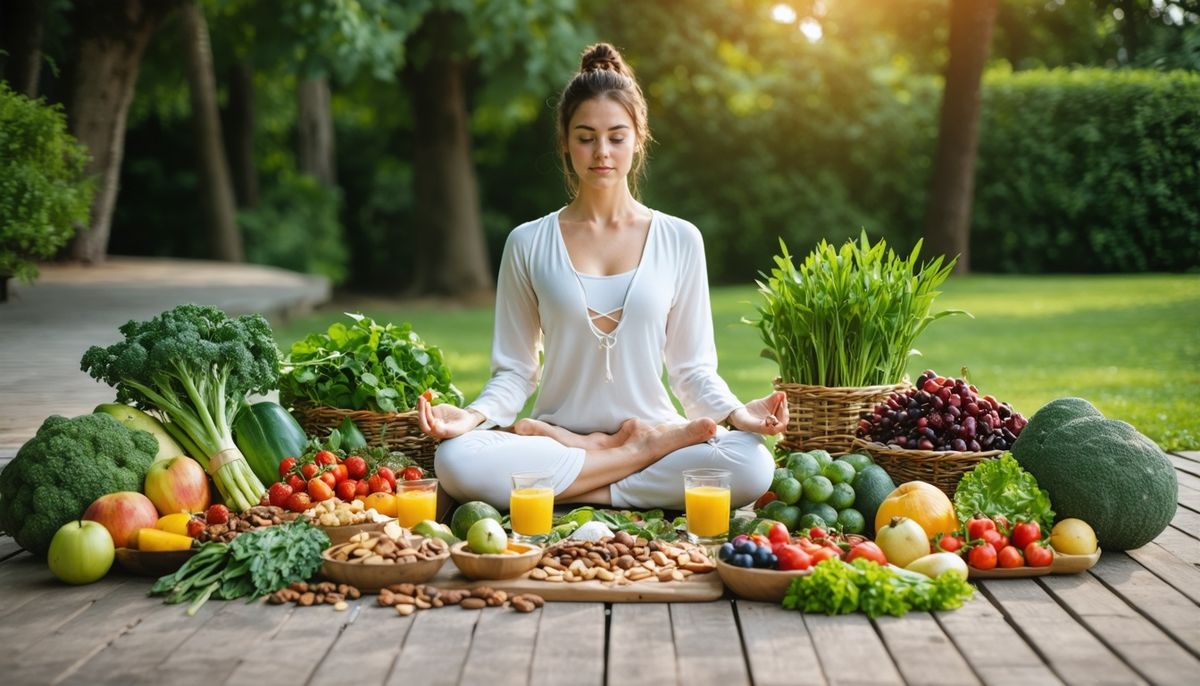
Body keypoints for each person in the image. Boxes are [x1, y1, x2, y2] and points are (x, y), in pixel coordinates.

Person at [417, 43, 785, 511]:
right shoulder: (528, 242)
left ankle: (583, 483)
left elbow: (692, 370)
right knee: (458, 459)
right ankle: (631, 461)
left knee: (751, 463)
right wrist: (472, 416)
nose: (601, 152)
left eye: (616, 136)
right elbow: (515, 370)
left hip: (656, 431)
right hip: (556, 441)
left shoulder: (680, 239)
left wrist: (736, 412)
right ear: (565, 143)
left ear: (638, 138)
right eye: (586, 137)